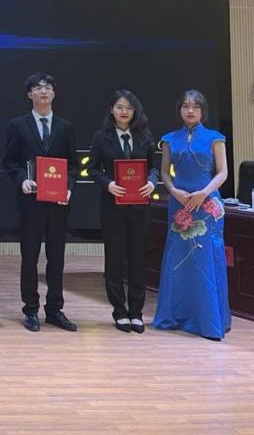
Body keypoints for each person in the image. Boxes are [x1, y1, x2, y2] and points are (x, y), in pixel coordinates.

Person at [3, 72, 79, 332]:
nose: (43, 91)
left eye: (48, 87)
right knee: (30, 257)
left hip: (58, 204)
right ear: (30, 94)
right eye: (38, 87)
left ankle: (55, 309)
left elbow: (72, 166)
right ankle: (31, 309)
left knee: (56, 258)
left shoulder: (66, 127)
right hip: (30, 203)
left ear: (54, 93)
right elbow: (10, 162)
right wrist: (21, 180)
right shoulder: (17, 125)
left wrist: (68, 188)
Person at [153, 89, 231, 340]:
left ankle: (210, 321)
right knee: (178, 257)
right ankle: (176, 316)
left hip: (207, 205)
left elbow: (223, 172)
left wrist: (204, 193)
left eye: (195, 106)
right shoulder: (169, 139)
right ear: (179, 110)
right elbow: (164, 172)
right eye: (186, 106)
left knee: (207, 257)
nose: (190, 110)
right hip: (180, 203)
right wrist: (173, 190)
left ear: (202, 111)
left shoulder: (215, 138)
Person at [87, 89, 158, 333]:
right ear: (112, 110)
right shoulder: (100, 137)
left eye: (128, 107)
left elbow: (153, 167)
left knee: (138, 257)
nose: (124, 111)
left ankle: (136, 312)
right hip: (112, 207)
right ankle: (119, 310)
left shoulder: (144, 136)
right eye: (119, 107)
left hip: (139, 207)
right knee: (114, 258)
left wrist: (152, 181)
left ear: (135, 110)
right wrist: (108, 184)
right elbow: (92, 169)